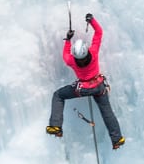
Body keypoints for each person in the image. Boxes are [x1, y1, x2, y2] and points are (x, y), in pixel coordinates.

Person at [47, 13, 124, 149]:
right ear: (86, 50)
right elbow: (99, 33)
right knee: (107, 112)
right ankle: (117, 139)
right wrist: (91, 20)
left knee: (58, 95)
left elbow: (65, 56)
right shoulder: (93, 53)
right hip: (99, 87)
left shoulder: (72, 61)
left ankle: (56, 126)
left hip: (82, 89)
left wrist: (68, 40)